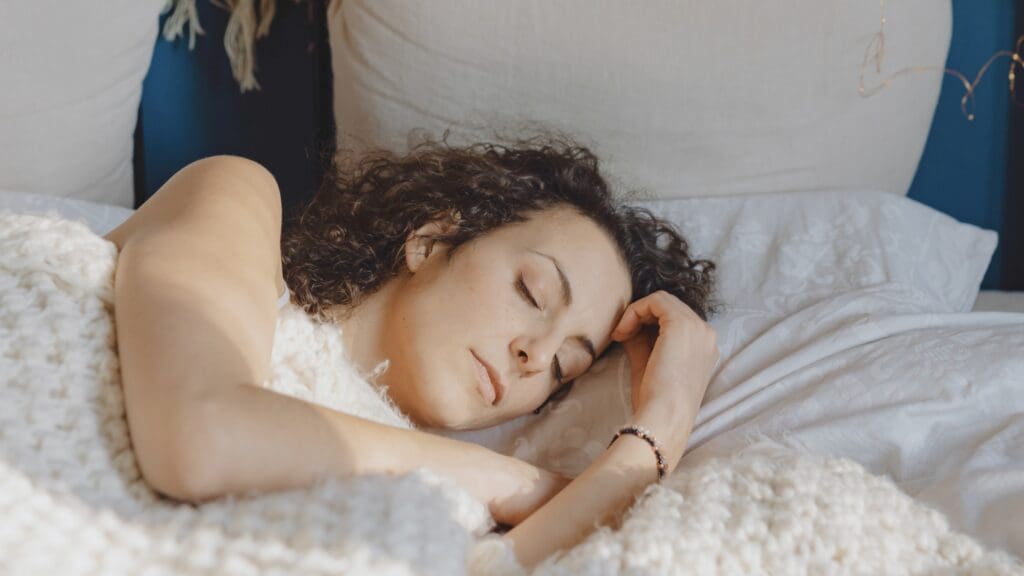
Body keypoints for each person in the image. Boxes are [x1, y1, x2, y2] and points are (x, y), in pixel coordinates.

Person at [102, 138, 720, 569]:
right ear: (431, 240)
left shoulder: (435, 503)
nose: (535, 355)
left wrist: (663, 421)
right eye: (532, 292)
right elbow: (201, 435)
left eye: (566, 367)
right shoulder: (235, 193)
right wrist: (510, 482)